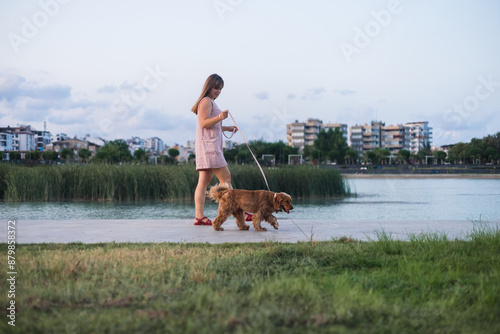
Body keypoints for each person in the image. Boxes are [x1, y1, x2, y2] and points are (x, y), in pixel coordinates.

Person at [191, 74, 252, 225]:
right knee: (226, 179)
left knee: (203, 182)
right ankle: (241, 213)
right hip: (211, 149)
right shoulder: (206, 101)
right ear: (208, 87)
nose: (218, 91)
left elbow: (208, 125)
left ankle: (199, 217)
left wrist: (225, 126)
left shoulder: (207, 102)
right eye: (216, 88)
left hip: (207, 147)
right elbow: (204, 123)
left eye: (220, 89)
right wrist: (220, 117)